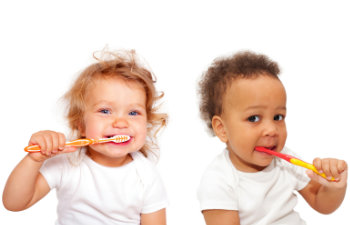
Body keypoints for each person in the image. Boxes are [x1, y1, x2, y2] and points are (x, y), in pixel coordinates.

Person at [3, 49, 168, 225]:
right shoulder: (67, 162)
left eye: (133, 112)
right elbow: (14, 203)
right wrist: (34, 160)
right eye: (105, 111)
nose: (121, 123)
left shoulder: (146, 176)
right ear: (80, 124)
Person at [197, 51, 348, 225]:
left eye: (278, 117)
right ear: (222, 129)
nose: (271, 129)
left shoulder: (287, 162)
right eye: (253, 118)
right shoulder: (218, 181)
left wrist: (334, 186)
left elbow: (321, 203)